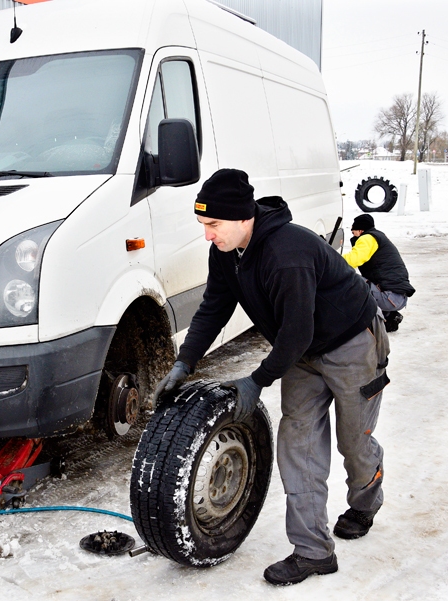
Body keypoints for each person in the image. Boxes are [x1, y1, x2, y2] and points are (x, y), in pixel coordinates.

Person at [154, 168, 390, 586]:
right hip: (301, 352)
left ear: (243, 217)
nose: (207, 234)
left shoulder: (288, 251)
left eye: (213, 225)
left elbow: (296, 330)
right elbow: (214, 307)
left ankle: (365, 501)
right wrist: (184, 362)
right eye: (203, 225)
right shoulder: (227, 252)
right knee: (298, 446)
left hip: (352, 342)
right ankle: (313, 551)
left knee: (353, 442)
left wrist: (258, 380)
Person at [343, 214, 415, 332]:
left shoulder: (367, 238)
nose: (353, 235)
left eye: (354, 232)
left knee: (351, 281)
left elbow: (353, 260)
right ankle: (388, 317)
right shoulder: (378, 237)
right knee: (364, 281)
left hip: (389, 297)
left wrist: (332, 261)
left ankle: (359, 324)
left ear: (361, 230)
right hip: (398, 296)